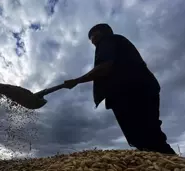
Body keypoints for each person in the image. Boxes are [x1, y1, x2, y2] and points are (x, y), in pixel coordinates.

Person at [64, 23, 176, 155]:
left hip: (132, 91)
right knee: (145, 135)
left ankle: (172, 166)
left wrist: (77, 81)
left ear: (102, 33)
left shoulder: (108, 41)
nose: (92, 40)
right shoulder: (118, 42)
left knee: (146, 135)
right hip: (140, 88)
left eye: (93, 36)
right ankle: (164, 167)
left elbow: (105, 67)